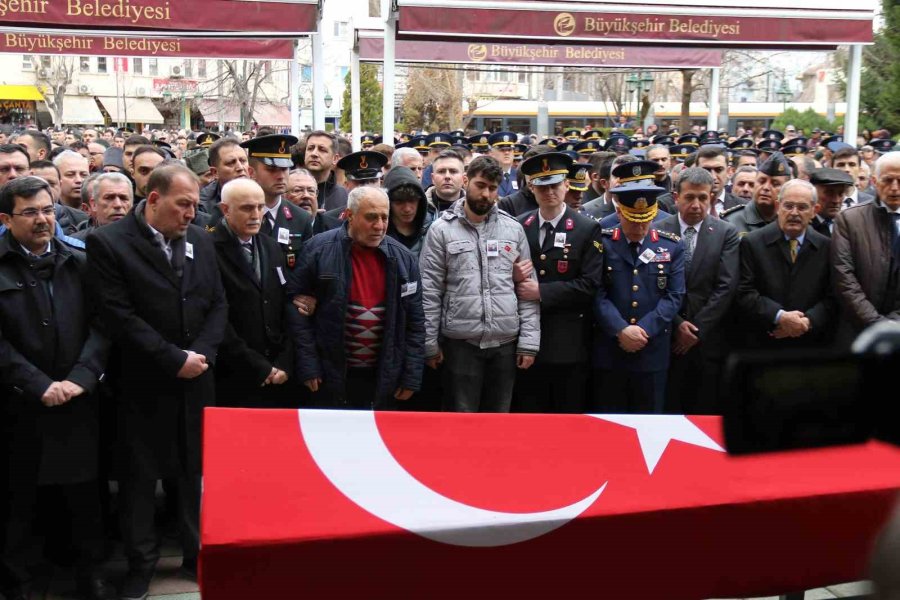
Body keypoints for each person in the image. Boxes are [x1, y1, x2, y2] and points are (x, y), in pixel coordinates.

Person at [86, 163, 228, 598]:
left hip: (196, 380)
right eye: (183, 204)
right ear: (153, 200)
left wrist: (199, 355)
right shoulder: (108, 243)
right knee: (139, 481)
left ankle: (194, 554)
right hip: (142, 384)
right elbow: (117, 314)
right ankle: (141, 564)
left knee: (193, 474)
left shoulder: (201, 241)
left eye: (195, 205)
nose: (191, 213)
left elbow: (217, 304)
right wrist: (172, 359)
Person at [0, 176, 114, 600]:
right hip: (19, 403)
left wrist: (81, 379)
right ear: (6, 219)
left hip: (77, 400)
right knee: (19, 499)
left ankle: (90, 574)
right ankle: (20, 581)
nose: (43, 220)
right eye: (30, 213)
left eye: (47, 210)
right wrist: (37, 384)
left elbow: (103, 326)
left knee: (84, 495)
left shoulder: (80, 260)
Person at [419, 155, 540, 413]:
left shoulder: (513, 229)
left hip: (505, 344)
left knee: (498, 422)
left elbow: (528, 290)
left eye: (493, 188)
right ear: (466, 181)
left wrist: (529, 342)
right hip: (461, 344)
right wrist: (429, 344)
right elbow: (429, 291)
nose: (486, 194)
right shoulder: (441, 230)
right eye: (480, 185)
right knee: (461, 423)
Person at [288, 186, 425, 409]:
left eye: (384, 217)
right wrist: (308, 365)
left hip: (382, 375)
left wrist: (411, 375)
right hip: (329, 373)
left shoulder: (405, 259)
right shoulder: (317, 250)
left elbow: (415, 322)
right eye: (371, 217)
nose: (380, 226)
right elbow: (298, 314)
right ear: (349, 216)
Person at [513, 152, 604, 413]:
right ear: (532, 187)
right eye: (542, 186)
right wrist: (513, 277)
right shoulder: (520, 225)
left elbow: (590, 284)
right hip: (527, 339)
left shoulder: (587, 229)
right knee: (530, 414)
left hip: (569, 343)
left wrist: (540, 291)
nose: (549, 192)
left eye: (555, 185)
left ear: (566, 185)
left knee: (567, 415)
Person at [593, 171, 685, 414]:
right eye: (634, 220)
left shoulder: (670, 245)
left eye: (646, 220)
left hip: (652, 350)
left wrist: (643, 329)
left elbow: (674, 295)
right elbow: (596, 291)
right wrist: (620, 329)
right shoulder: (603, 242)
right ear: (620, 212)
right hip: (611, 350)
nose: (640, 227)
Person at [211, 178, 299, 408]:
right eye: (247, 208)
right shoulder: (209, 248)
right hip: (234, 375)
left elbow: (283, 303)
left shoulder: (270, 246)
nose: (256, 214)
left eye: (260, 207)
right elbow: (216, 317)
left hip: (278, 373)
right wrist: (257, 366)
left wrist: (285, 361)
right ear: (225, 210)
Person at [658, 167, 740, 415]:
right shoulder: (657, 229)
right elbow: (654, 286)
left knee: (704, 409)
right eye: (689, 197)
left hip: (708, 340)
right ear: (676, 198)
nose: (696, 204)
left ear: (712, 198)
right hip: (666, 335)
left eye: (703, 198)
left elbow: (726, 287)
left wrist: (696, 330)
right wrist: (678, 324)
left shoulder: (726, 233)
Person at [736, 179, 836, 349]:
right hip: (764, 342)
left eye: (802, 207)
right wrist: (780, 316)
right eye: (788, 206)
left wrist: (806, 322)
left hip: (811, 345)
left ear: (814, 211)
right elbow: (744, 291)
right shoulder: (753, 243)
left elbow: (833, 296)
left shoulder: (827, 246)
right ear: (777, 207)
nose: (794, 213)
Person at [831, 151, 900, 347]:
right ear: (874, 181)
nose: (894, 188)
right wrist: (877, 324)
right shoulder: (850, 220)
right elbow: (843, 277)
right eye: (888, 180)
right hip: (856, 330)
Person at [241, 134, 314, 269]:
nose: (280, 176)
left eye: (284, 169)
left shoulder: (301, 218)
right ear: (251, 172)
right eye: (272, 170)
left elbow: (305, 272)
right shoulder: (236, 214)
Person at [723, 152, 793, 236]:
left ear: (787, 189)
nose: (766, 187)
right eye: (762, 181)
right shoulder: (731, 221)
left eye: (775, 184)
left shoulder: (791, 222)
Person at [384, 165, 435, 257]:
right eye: (399, 202)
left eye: (412, 201)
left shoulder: (431, 228)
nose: (407, 209)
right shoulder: (380, 231)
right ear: (389, 203)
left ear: (420, 201)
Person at [71, 172, 134, 241]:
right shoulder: (75, 244)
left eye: (123, 198)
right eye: (109, 198)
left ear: (132, 203)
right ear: (93, 204)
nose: (118, 204)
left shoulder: (145, 242)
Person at [199, 137, 250, 214]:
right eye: (231, 163)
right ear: (215, 172)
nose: (240, 167)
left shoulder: (264, 192)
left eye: (243, 161)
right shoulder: (203, 205)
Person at [303, 130, 348, 211]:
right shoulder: (288, 192)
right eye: (310, 148)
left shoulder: (344, 197)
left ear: (335, 158)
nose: (314, 154)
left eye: (322, 149)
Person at [809, 168, 854, 237]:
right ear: (813, 193)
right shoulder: (804, 226)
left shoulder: (849, 226)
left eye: (840, 194)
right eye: (829, 193)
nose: (836, 200)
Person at [489, 131, 519, 197]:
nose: (507, 153)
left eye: (510, 150)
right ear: (492, 153)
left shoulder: (520, 176)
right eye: (502, 150)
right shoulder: (488, 175)